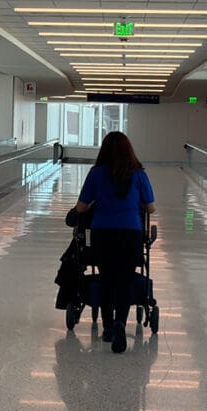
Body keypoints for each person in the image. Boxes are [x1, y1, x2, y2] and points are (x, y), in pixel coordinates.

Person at [73, 131, 156, 353]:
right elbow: (151, 207)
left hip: (103, 233)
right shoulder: (138, 174)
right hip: (130, 234)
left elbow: (81, 207)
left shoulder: (96, 174)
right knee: (126, 279)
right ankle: (121, 321)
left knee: (107, 278)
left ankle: (108, 327)